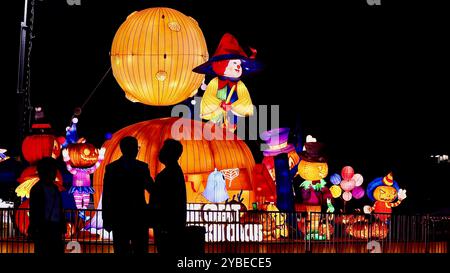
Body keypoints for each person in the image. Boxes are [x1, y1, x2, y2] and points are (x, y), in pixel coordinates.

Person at [102, 136, 153, 254]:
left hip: (132, 216)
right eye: (135, 148)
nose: (136, 150)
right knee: (124, 249)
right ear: (125, 149)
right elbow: (107, 195)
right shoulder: (113, 169)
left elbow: (107, 196)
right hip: (124, 217)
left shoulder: (114, 168)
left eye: (137, 148)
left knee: (137, 249)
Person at [150, 139, 187, 254]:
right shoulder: (175, 171)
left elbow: (161, 197)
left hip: (166, 224)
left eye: (164, 149)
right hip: (171, 223)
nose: (161, 152)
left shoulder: (168, 174)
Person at [28, 157, 66, 255]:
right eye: (53, 170)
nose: (55, 173)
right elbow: (35, 210)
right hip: (45, 227)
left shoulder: (52, 188)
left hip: (51, 227)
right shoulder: (39, 189)